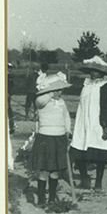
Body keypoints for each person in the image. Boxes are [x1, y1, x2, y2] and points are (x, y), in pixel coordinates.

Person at [70, 56, 107, 192]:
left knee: (100, 154)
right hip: (84, 124)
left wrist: (105, 127)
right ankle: (85, 179)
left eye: (96, 71)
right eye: (92, 71)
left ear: (102, 73)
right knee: (79, 151)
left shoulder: (104, 87)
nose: (93, 73)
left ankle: (98, 183)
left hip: (98, 123)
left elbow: (105, 107)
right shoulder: (86, 85)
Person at [30, 72, 71, 206]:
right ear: (50, 90)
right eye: (57, 89)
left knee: (55, 170)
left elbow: (66, 117)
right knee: (44, 170)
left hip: (59, 138)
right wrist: (49, 93)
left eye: (61, 89)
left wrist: (67, 130)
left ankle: (52, 198)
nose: (60, 92)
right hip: (46, 137)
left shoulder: (62, 102)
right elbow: (40, 101)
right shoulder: (41, 101)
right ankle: (41, 199)